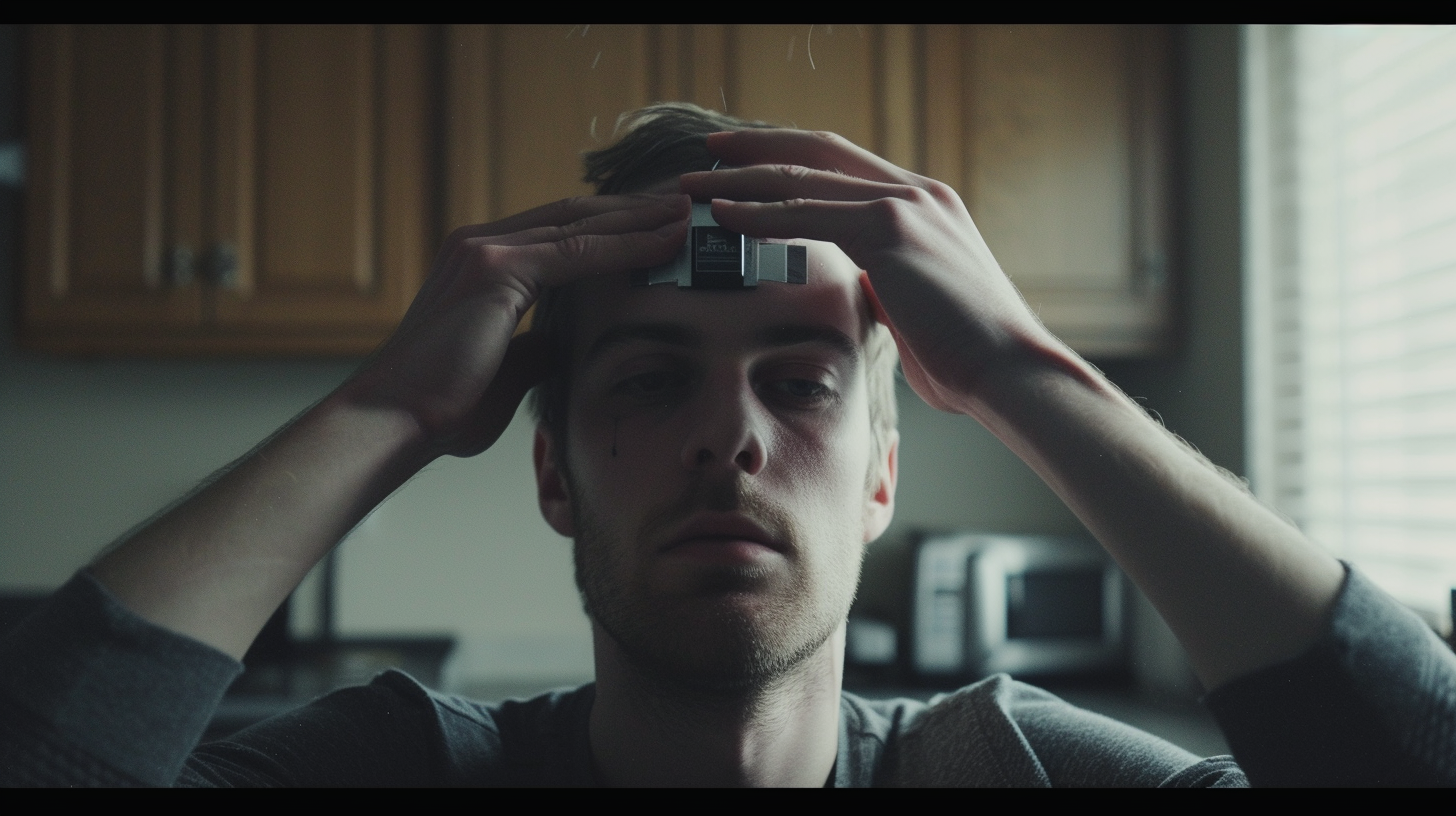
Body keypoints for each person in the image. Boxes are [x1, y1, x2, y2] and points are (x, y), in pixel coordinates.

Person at [2, 104, 1453, 787]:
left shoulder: (1015, 778)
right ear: (553, 469)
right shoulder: (405, 777)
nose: (731, 443)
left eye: (805, 383)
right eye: (645, 382)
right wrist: (389, 410)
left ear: (885, 467)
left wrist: (1024, 373)